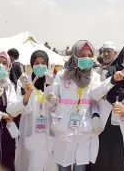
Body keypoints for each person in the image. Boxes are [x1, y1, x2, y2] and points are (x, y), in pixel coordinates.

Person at [50, 40, 102, 171]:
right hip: (64, 129)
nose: (86, 58)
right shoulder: (63, 75)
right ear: (75, 55)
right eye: (82, 54)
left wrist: (95, 115)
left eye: (89, 55)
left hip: (84, 129)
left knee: (80, 167)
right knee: (64, 168)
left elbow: (95, 101)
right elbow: (53, 99)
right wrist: (52, 99)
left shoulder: (95, 77)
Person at [15, 50, 57, 171]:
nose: (40, 66)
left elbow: (54, 106)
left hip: (48, 129)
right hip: (30, 128)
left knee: (48, 162)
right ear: (31, 64)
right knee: (29, 163)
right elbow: (20, 107)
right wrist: (26, 92)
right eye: (36, 63)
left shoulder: (52, 81)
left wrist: (50, 87)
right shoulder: (24, 82)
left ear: (48, 64)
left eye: (43, 62)